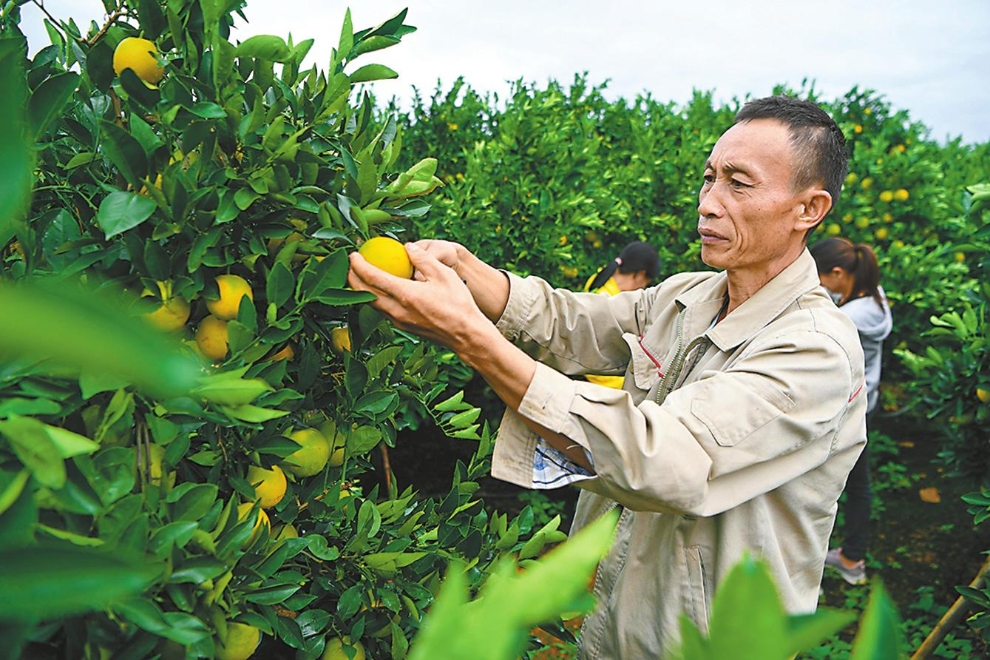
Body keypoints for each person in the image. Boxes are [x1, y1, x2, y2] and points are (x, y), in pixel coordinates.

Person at [348, 95, 867, 658]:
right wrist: (471, 274)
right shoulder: (686, 296)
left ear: (808, 209)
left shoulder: (815, 350)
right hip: (611, 619)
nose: (709, 203)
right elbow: (570, 323)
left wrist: (472, 338)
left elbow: (658, 456)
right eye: (709, 177)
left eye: (738, 184)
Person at [810, 237, 893, 585]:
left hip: (852, 407)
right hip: (865, 401)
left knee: (846, 483)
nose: (817, 285)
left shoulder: (849, 317)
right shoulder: (874, 296)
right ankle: (851, 554)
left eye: (820, 277)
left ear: (839, 273)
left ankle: (850, 558)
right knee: (855, 482)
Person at [583, 240, 661, 389]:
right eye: (645, 282)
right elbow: (592, 357)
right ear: (640, 275)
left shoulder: (600, 278)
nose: (643, 288)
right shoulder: (608, 300)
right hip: (597, 382)